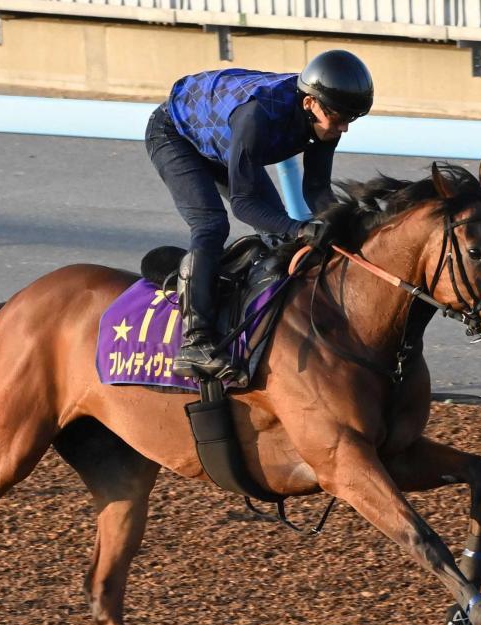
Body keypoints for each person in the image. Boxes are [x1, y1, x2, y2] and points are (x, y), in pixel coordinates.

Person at [144, 49, 375, 381]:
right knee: (211, 225)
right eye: (338, 118)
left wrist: (345, 224)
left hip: (223, 136)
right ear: (309, 103)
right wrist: (301, 230)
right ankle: (195, 342)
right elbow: (244, 205)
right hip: (174, 135)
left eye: (350, 119)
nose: (343, 128)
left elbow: (317, 189)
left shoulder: (325, 116)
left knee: (278, 232)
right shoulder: (257, 117)